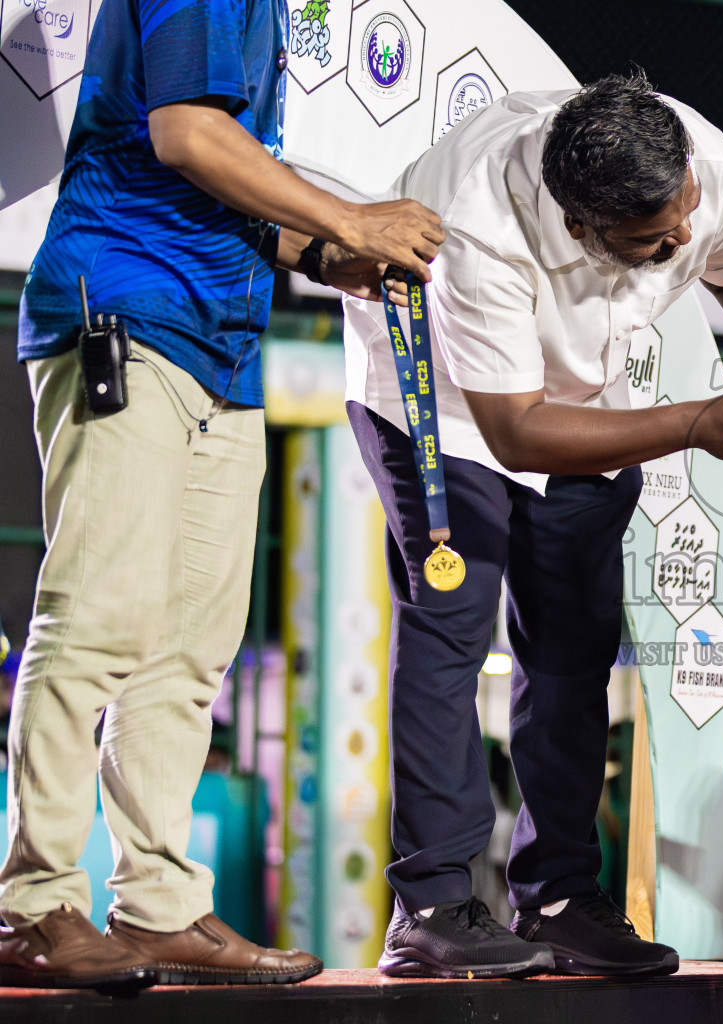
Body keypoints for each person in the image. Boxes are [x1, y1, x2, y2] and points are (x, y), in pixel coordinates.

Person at [342, 73, 723, 979]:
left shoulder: (697, 158)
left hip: (582, 401)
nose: (683, 236)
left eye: (683, 212)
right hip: (445, 407)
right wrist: (694, 420)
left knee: (573, 644)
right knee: (450, 632)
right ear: (580, 224)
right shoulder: (476, 222)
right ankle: (434, 901)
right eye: (653, 240)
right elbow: (515, 427)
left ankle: (559, 897)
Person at [0, 0, 443, 990]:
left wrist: (332, 258)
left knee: (190, 648)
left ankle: (158, 908)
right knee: (97, 621)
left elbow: (227, 181)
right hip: (127, 311)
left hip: (223, 345)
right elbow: (187, 135)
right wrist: (349, 217)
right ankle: (34, 904)